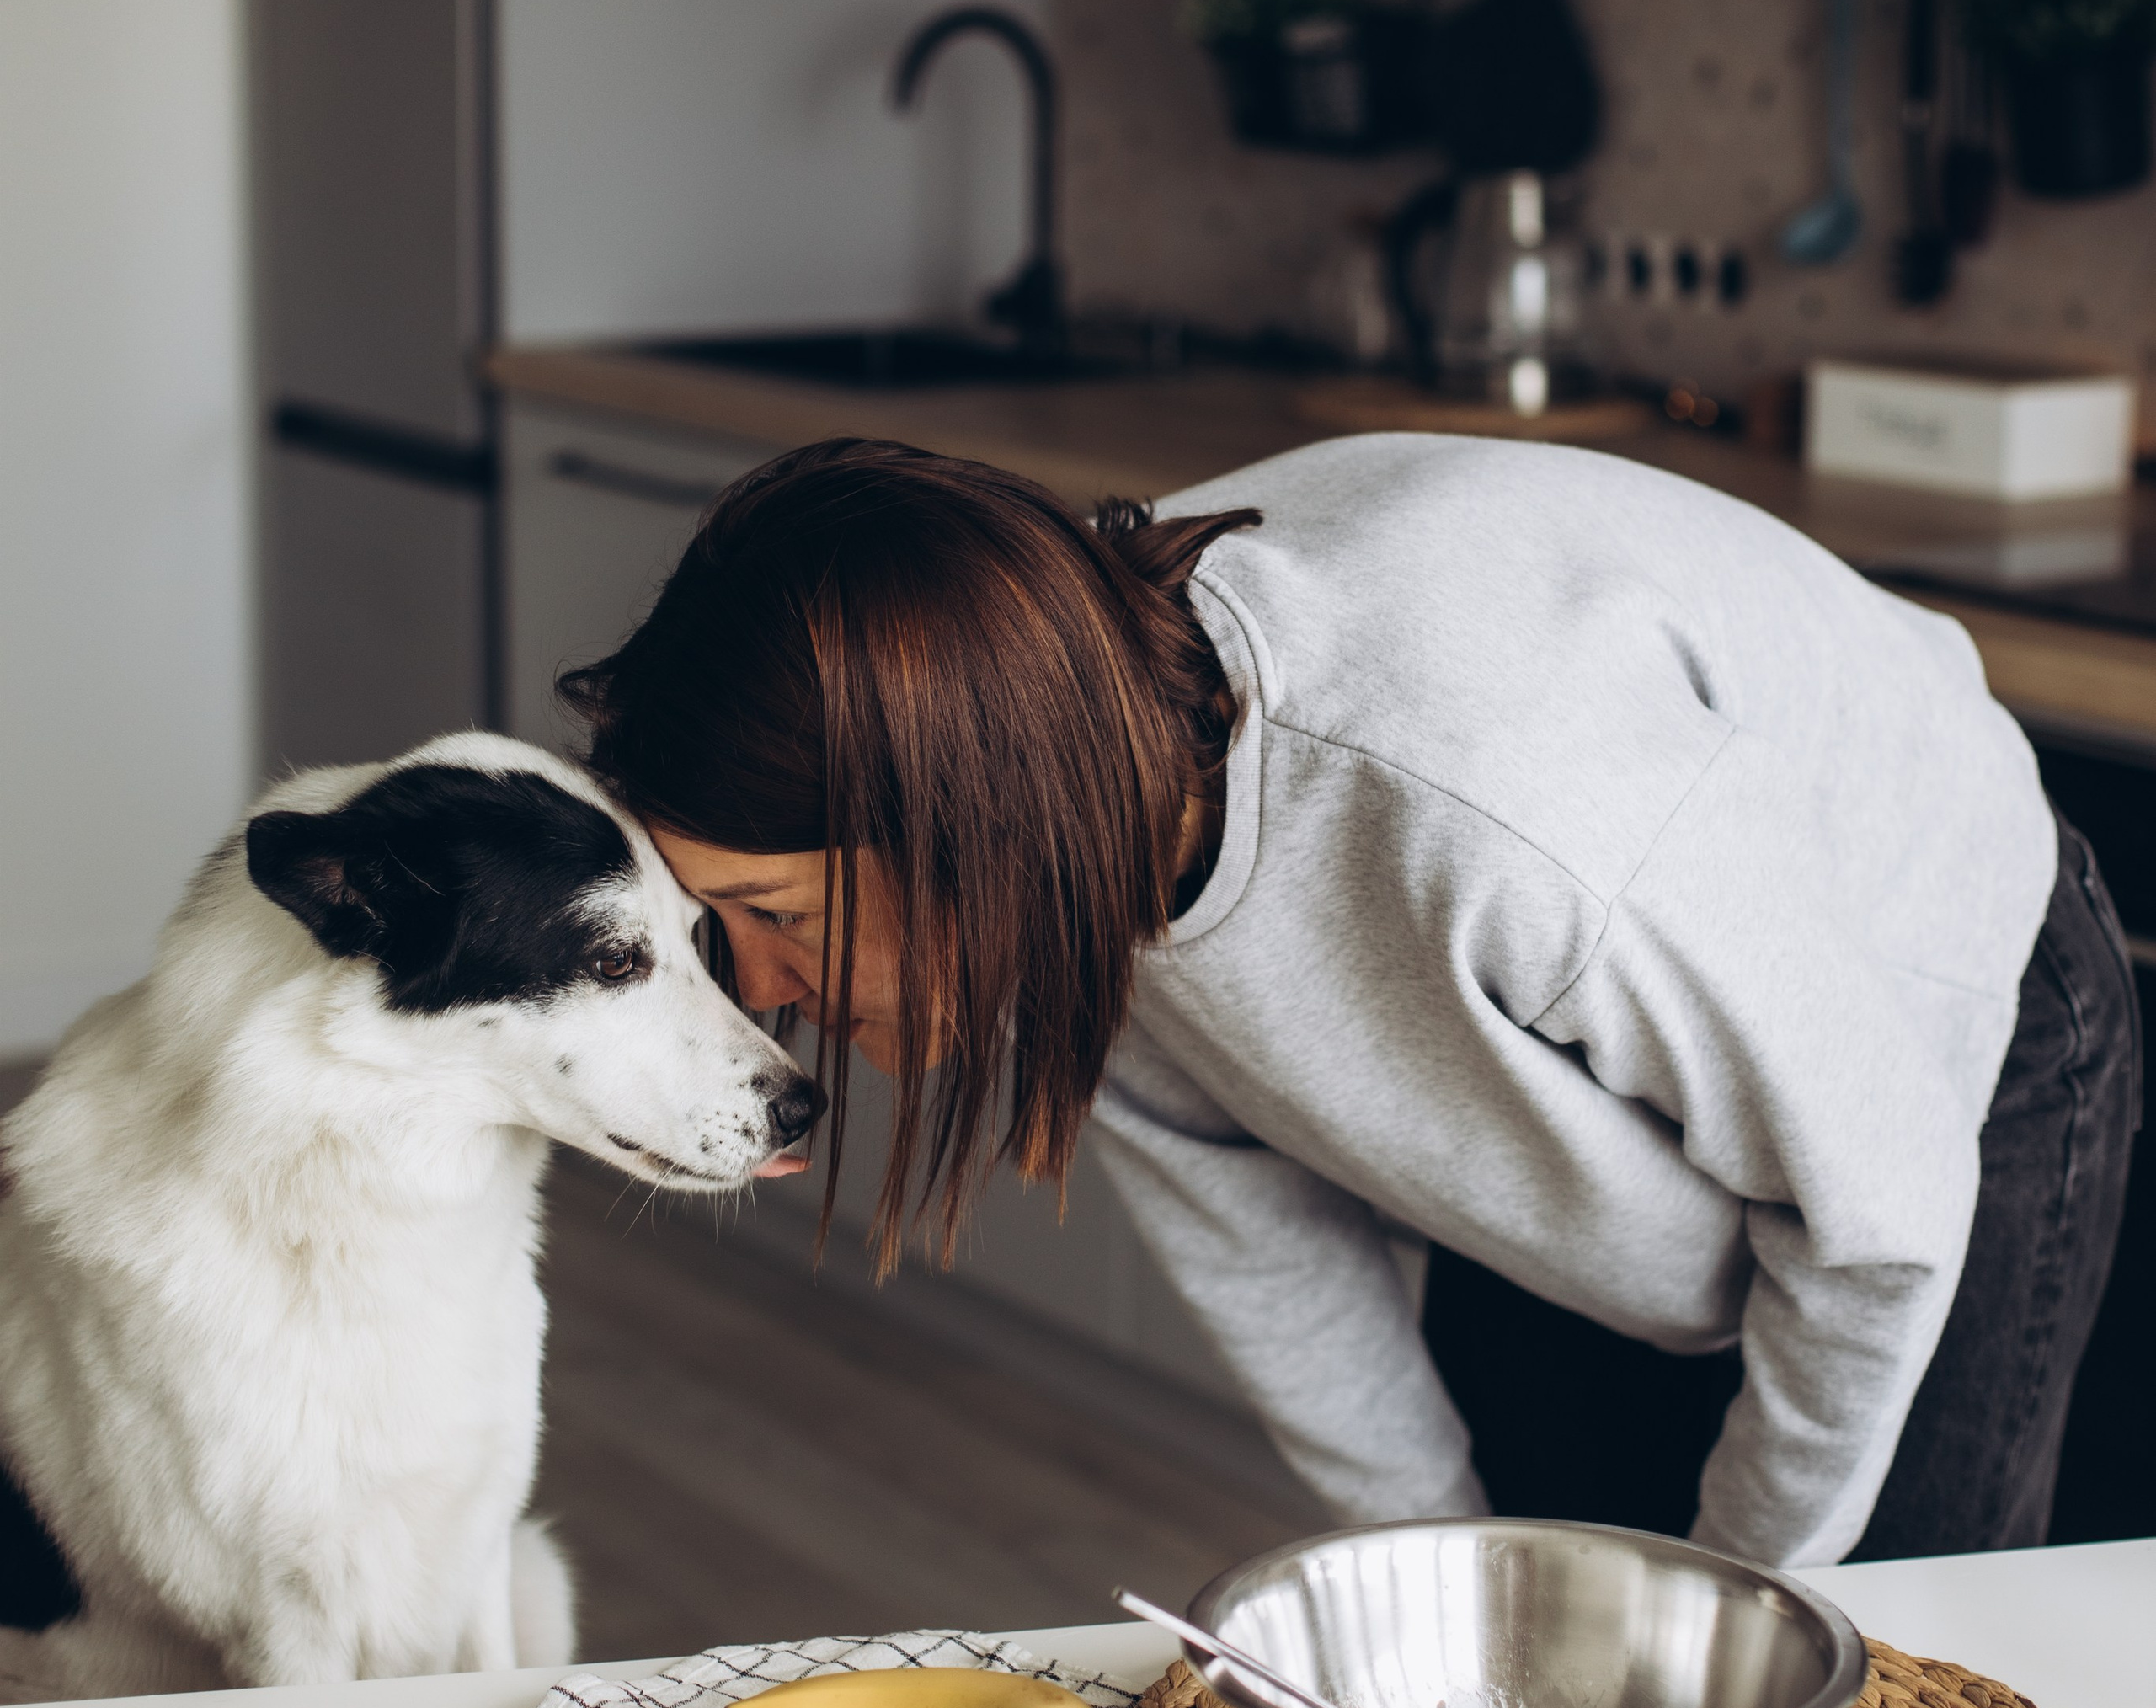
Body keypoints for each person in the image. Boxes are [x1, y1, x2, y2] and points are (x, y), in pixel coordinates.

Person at [563, 431, 2137, 1568]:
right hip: (1581, 1108)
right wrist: (1450, 1615)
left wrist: (1741, 1616)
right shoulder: (1061, 801)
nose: (759, 999)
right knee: (1547, 1639)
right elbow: (1277, 1270)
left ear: (963, 821)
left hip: (1932, 1057)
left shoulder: (1498, 805)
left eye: (772, 919)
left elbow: (1876, 1213)